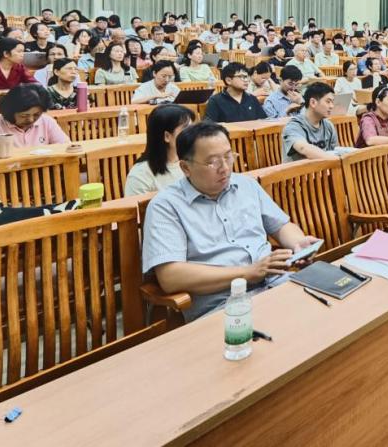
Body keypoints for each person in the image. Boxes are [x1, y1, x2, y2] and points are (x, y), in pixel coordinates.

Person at [141, 122, 319, 321]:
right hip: (225, 306)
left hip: (278, 284)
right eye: (212, 162)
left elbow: (281, 225)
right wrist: (248, 273)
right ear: (185, 167)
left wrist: (298, 244)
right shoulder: (166, 206)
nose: (225, 168)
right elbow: (170, 277)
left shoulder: (246, 185)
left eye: (228, 157)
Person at [0, 84, 69, 153]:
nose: (31, 120)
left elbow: (65, 148)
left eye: (36, 115)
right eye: (24, 116)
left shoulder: (46, 121)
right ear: (10, 112)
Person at [125, 105, 195, 196]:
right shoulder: (140, 175)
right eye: (186, 129)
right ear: (167, 136)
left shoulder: (193, 161)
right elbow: (136, 205)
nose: (193, 134)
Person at [281, 82, 340, 162]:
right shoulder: (294, 126)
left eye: (332, 102)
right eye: (328, 101)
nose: (332, 106)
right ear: (313, 102)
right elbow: (303, 148)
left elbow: (335, 151)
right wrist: (337, 160)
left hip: (324, 168)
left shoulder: (328, 125)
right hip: (300, 170)